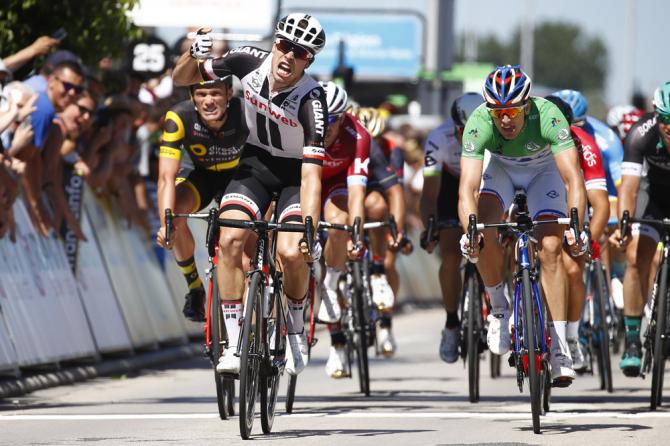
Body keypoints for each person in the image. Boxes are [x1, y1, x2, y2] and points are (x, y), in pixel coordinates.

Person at [172, 13, 327, 376]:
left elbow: (312, 176)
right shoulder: (245, 61)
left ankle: (295, 320)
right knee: (228, 241)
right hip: (255, 164)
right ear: (275, 43)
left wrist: (311, 229)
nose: (289, 56)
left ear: (309, 61)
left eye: (300, 53)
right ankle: (234, 341)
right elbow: (183, 79)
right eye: (285, 46)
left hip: (295, 176)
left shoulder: (312, 101)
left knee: (291, 252)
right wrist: (191, 57)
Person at [458, 65, 586, 386]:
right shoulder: (478, 122)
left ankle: (558, 348)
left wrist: (576, 225)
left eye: (512, 111)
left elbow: (573, 178)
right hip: (501, 170)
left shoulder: (548, 115)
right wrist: (469, 231)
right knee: (484, 231)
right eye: (498, 111)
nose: (504, 119)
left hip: (544, 172)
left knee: (552, 250)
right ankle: (499, 309)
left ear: (526, 105)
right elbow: (467, 187)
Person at [155, 76, 248, 321]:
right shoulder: (178, 117)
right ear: (191, 97)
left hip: (238, 177)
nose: (208, 101)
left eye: (215, 94)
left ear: (229, 93)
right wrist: (166, 225)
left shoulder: (247, 112)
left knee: (246, 252)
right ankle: (195, 288)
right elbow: (166, 177)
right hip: (199, 176)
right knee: (174, 218)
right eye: (201, 95)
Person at [609, 81, 670, 377]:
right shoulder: (641, 134)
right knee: (636, 256)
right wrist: (624, 224)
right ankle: (633, 340)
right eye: (665, 120)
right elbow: (629, 189)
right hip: (653, 197)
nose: (669, 127)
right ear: (656, 116)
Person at [545, 95, 609, 371]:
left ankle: (571, 337)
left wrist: (588, 241)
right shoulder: (526, 143)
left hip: (571, 207)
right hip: (537, 198)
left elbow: (601, 205)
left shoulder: (584, 144)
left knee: (572, 269)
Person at [420, 92, 482, 363]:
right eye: (460, 131)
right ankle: (452, 323)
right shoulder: (438, 137)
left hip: (483, 182)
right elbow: (430, 193)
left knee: (496, 238)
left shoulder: (490, 132)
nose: (464, 136)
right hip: (449, 185)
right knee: (450, 254)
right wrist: (430, 226)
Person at [314, 82, 368, 378]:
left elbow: (357, 194)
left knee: (338, 222)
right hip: (301, 183)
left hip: (335, 186)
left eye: (332, 120)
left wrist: (355, 235)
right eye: (320, 118)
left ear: (344, 116)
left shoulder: (357, 135)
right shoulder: (300, 126)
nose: (324, 127)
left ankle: (331, 284)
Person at [353, 106, 408, 357]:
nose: (369, 145)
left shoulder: (392, 149)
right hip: (354, 195)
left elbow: (396, 192)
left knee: (388, 261)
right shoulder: (348, 143)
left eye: (374, 140)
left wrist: (397, 230)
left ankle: (386, 321)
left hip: (379, 198)